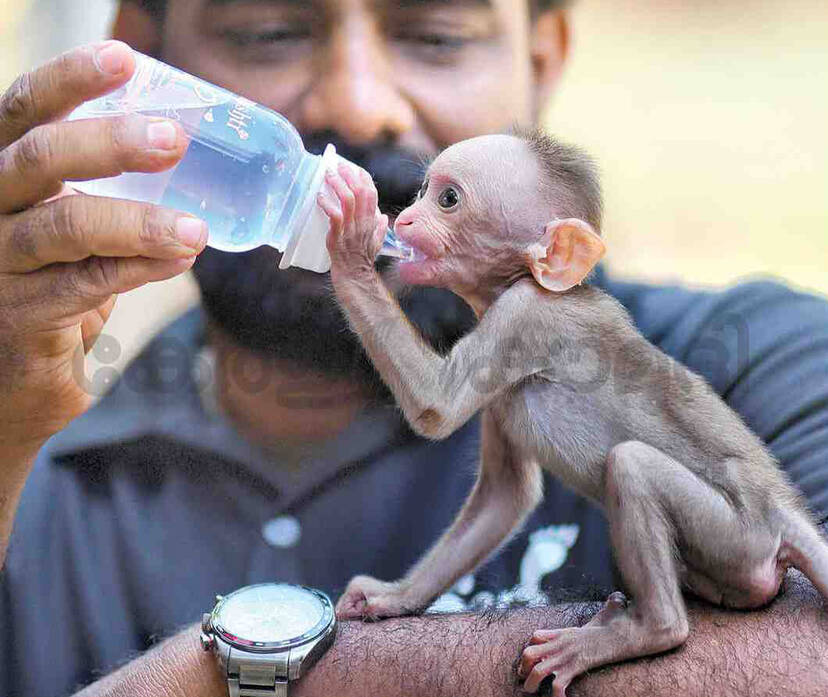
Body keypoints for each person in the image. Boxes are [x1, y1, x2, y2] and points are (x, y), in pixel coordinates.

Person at [0, 1, 826, 696]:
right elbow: (504, 498)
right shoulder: (32, 440)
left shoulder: (760, 358)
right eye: (265, 28)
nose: (358, 106)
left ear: (542, 61)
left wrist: (244, 672)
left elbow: (434, 405)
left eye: (434, 33)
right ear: (144, 53)